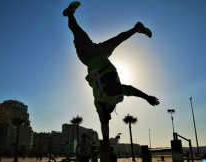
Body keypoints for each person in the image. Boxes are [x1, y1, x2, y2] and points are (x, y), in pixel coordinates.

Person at [63, 1, 160, 142]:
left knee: (82, 32)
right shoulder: (115, 97)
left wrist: (105, 142)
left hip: (95, 55)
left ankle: (70, 13)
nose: (107, 117)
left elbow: (105, 123)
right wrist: (148, 98)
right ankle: (136, 28)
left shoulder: (103, 103)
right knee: (111, 38)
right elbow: (132, 91)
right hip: (98, 54)